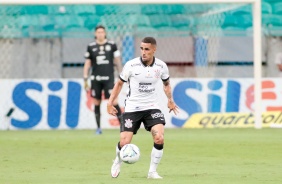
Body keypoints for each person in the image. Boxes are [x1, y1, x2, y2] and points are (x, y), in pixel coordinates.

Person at [107, 37, 179, 179]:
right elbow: (119, 84)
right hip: (132, 108)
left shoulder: (161, 66)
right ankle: (117, 161)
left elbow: (166, 84)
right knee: (124, 142)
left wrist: (170, 100)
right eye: (141, 49)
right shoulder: (131, 65)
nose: (143, 52)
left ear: (154, 50)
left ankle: (152, 172)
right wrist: (110, 102)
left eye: (147, 49)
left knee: (159, 137)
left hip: (152, 107)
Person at [83, 25, 122, 135]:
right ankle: (98, 128)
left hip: (109, 78)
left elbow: (117, 60)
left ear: (105, 33)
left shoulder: (112, 45)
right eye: (98, 32)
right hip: (96, 79)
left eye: (102, 32)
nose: (100, 34)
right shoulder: (91, 47)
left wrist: (121, 74)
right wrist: (85, 77)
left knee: (114, 102)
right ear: (95, 34)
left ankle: (123, 126)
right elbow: (87, 63)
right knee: (96, 102)